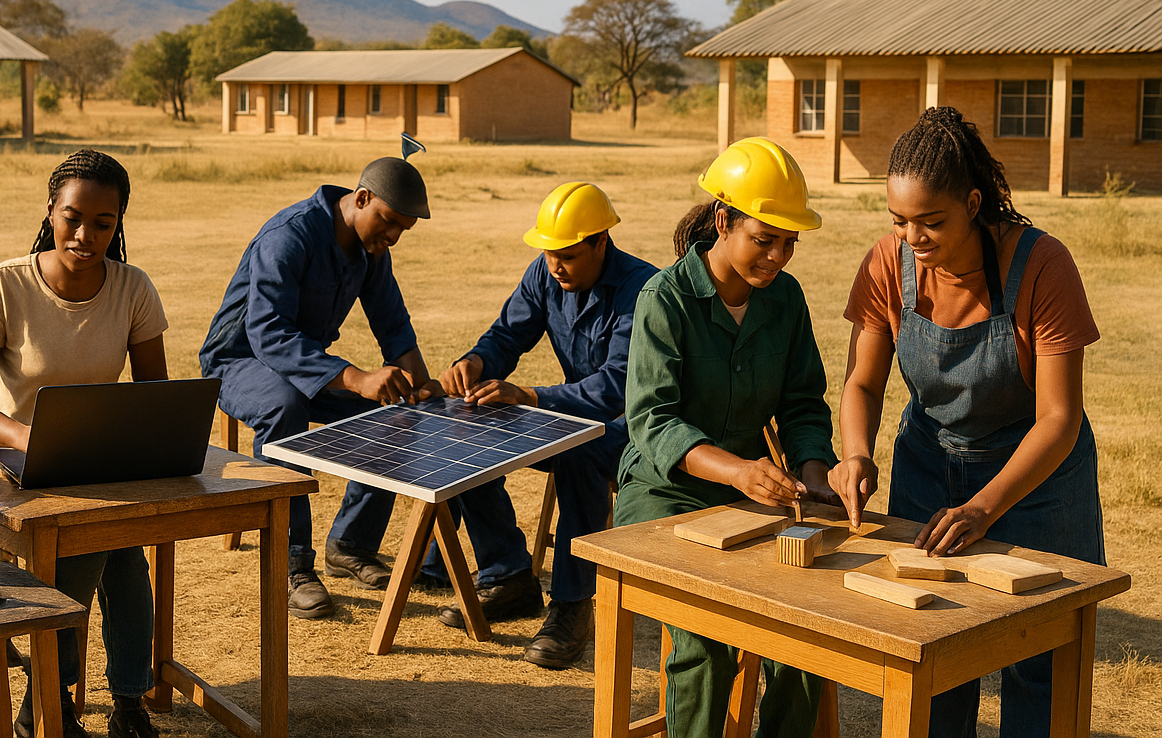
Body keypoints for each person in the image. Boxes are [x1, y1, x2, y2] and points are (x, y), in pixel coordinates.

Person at [829, 107, 1103, 738]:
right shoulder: (885, 264)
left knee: (1040, 660)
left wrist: (983, 508)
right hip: (929, 465)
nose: (913, 239)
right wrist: (856, 455)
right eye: (899, 222)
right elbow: (862, 382)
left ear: (974, 203)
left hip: (1036, 479)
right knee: (933, 650)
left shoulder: (1041, 265)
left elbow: (1059, 419)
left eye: (932, 222)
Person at [617, 137, 835, 738]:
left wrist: (815, 476)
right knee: (707, 639)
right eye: (764, 239)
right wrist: (739, 470)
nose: (778, 258)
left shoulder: (785, 301)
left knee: (812, 631)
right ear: (722, 220)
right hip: (664, 495)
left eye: (789, 243)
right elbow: (653, 422)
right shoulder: (664, 300)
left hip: (751, 497)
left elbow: (802, 405)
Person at [0, 149, 166, 738]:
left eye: (104, 223)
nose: (86, 235)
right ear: (50, 211)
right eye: (73, 217)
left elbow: (156, 396)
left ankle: (59, 701)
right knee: (108, 541)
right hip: (14, 453)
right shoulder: (4, 283)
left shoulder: (133, 288)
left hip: (98, 455)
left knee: (112, 542)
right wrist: (25, 433)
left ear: (119, 223)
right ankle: (92, 700)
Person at [199, 156, 439, 618]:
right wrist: (356, 378)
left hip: (310, 365)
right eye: (388, 222)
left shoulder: (371, 252)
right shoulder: (290, 235)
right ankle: (290, 565)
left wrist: (423, 388)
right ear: (362, 198)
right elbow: (268, 333)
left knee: (394, 410)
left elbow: (394, 327)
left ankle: (351, 543)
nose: (392, 237)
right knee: (285, 406)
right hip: (238, 362)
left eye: (402, 230)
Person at [434, 181, 657, 668]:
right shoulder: (545, 272)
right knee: (472, 425)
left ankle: (574, 607)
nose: (556, 265)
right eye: (550, 253)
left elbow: (617, 387)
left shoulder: (643, 290)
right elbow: (506, 335)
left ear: (602, 241)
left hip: (644, 433)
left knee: (580, 453)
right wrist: (476, 361)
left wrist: (530, 396)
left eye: (569, 255)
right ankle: (509, 574)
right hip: (577, 418)